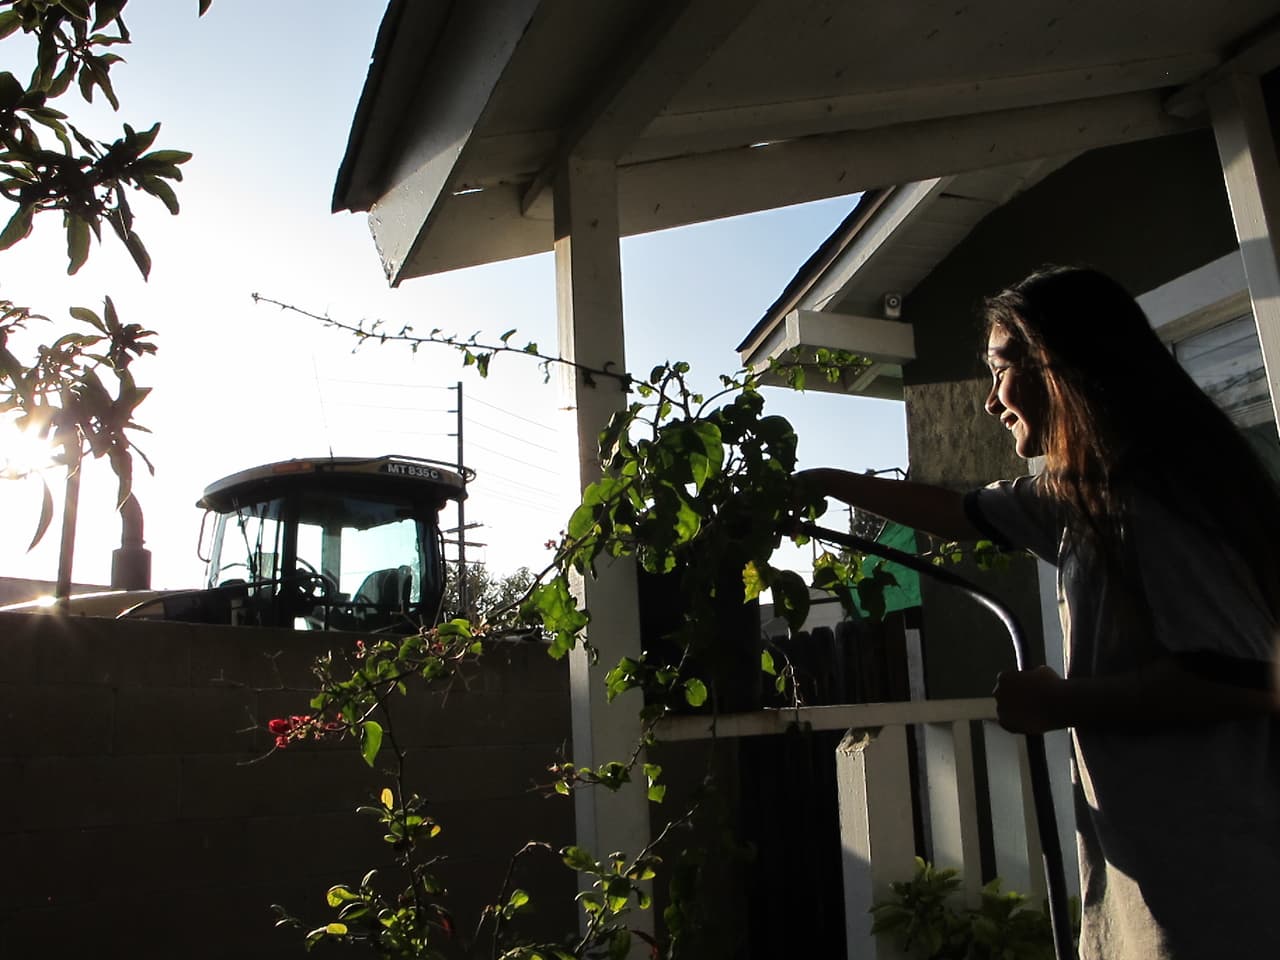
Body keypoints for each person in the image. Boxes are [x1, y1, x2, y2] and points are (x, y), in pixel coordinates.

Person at [796, 265, 1280, 959]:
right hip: (1163, 875)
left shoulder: (1157, 494)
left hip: (1221, 885)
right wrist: (819, 483)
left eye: (1000, 370)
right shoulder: (1084, 492)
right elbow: (958, 511)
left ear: (1059, 366)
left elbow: (1242, 678)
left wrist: (1064, 701)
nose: (992, 402)